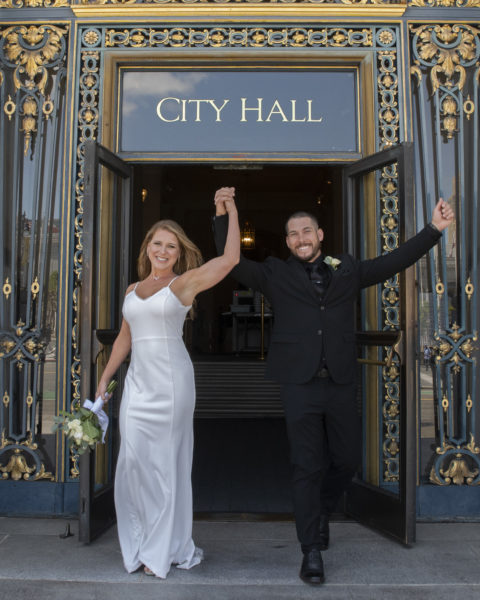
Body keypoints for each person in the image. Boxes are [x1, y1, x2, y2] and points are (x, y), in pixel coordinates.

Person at [213, 189, 454, 585]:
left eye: (306, 231)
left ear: (320, 234)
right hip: (299, 385)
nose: (300, 238)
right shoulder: (274, 272)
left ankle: (322, 509)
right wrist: (225, 212)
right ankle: (310, 549)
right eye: (292, 234)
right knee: (305, 465)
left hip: (340, 382)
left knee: (347, 460)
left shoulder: (348, 268)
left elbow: (393, 261)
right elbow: (231, 260)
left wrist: (433, 230)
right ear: (287, 241)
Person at [95, 192, 240, 578]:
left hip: (172, 385)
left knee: (163, 467)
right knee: (131, 466)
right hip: (138, 386)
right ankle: (141, 543)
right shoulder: (131, 289)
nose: (163, 250)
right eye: (157, 243)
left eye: (170, 246)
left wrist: (229, 211)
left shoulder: (182, 285)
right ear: (148, 248)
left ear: (178, 253)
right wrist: (106, 378)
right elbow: (126, 336)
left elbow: (229, 260)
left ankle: (160, 551)